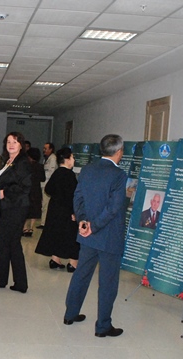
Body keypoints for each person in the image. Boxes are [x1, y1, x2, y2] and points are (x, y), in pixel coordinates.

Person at [64, 134, 127, 338]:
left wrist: (84, 222)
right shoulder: (119, 175)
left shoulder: (87, 169)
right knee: (108, 282)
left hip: (87, 233)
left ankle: (70, 314)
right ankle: (103, 326)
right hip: (109, 236)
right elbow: (114, 208)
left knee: (81, 274)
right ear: (119, 152)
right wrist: (95, 226)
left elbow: (78, 197)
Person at [0, 132, 32, 293]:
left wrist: (4, 192)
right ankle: (14, 282)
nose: (11, 145)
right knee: (9, 243)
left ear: (21, 144)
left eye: (15, 141)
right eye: (8, 142)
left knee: (8, 242)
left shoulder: (23, 163)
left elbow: (24, 187)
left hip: (17, 207)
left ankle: (4, 280)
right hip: (8, 206)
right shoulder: (8, 161)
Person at [35, 147, 79, 272]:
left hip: (55, 208)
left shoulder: (57, 173)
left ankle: (55, 259)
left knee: (55, 233)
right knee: (70, 236)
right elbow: (73, 195)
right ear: (67, 159)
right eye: (72, 157)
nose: (73, 160)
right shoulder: (69, 175)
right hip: (67, 210)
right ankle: (73, 263)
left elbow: (48, 189)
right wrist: (74, 211)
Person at [23, 147, 45, 237]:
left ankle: (24, 228)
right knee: (35, 209)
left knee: (26, 209)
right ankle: (31, 228)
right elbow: (43, 178)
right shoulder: (40, 166)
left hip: (27, 189)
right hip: (36, 190)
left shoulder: (26, 166)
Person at [38, 142, 57, 229]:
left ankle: (44, 223)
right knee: (43, 203)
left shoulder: (53, 159)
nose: (44, 150)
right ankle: (43, 221)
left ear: (51, 149)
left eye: (46, 148)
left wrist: (42, 175)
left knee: (45, 204)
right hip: (43, 183)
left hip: (47, 183)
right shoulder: (45, 159)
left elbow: (51, 173)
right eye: (44, 148)